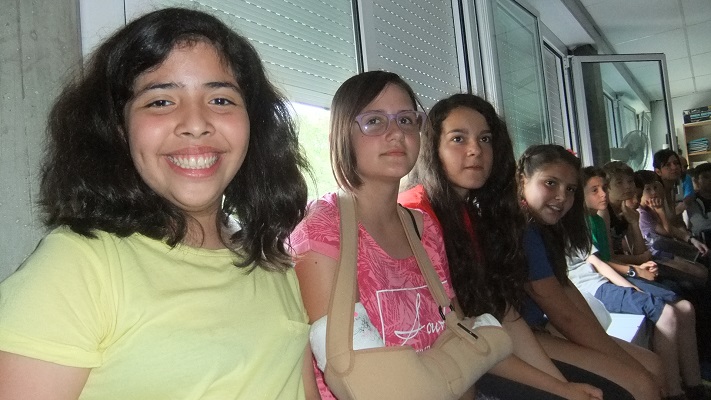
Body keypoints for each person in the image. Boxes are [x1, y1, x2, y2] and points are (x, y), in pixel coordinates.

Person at [0, 8, 318, 399]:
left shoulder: (270, 259)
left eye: (220, 99)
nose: (196, 124)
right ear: (119, 128)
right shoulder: (80, 265)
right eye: (161, 102)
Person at [400, 93, 623, 399]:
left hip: (484, 353)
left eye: (485, 139)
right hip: (443, 370)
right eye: (458, 139)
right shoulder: (416, 214)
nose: (476, 150)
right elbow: (462, 332)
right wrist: (558, 388)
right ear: (433, 148)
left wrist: (561, 386)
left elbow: (500, 311)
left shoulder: (471, 216)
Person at [291, 71, 464, 399]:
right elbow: (360, 377)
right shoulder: (321, 232)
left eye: (406, 120)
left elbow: (456, 334)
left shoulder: (424, 228)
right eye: (374, 121)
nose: (396, 133)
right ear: (342, 135)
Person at [519, 145, 665, 400]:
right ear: (523, 181)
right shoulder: (523, 230)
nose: (562, 197)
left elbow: (567, 291)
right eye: (550, 183)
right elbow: (564, 316)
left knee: (653, 365)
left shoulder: (548, 229)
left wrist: (607, 344)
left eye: (570, 189)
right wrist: (625, 362)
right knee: (642, 383)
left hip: (540, 328)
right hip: (523, 336)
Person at [578, 167, 707, 399]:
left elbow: (627, 254)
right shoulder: (593, 218)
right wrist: (636, 270)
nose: (603, 194)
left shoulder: (602, 216)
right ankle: (674, 391)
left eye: (604, 188)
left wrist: (634, 226)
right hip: (611, 277)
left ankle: (694, 384)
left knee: (686, 307)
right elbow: (605, 261)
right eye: (596, 190)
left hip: (624, 270)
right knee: (671, 310)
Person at [633, 170, 708, 285]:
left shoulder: (651, 206)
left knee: (702, 266)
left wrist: (691, 239)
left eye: (655, 187)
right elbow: (667, 232)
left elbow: (672, 229)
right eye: (648, 189)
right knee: (700, 273)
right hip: (654, 255)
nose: (654, 192)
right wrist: (660, 211)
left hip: (664, 249)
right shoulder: (641, 213)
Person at [653, 149, 687, 224]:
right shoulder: (655, 193)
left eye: (676, 163)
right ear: (658, 171)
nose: (674, 167)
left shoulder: (671, 190)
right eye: (668, 165)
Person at [685, 162, 711, 237]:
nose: (710, 180)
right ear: (696, 181)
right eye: (706, 177)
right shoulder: (691, 200)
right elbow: (700, 226)